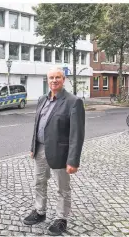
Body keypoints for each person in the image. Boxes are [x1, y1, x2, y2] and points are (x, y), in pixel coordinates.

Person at [24, 67, 85, 236]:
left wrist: (73, 160)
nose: (54, 80)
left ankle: (61, 219)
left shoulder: (73, 101)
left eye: (57, 77)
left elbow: (77, 134)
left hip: (61, 153)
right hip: (40, 149)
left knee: (62, 188)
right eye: (51, 78)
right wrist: (33, 147)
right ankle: (40, 211)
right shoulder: (42, 99)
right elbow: (38, 125)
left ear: (63, 79)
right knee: (39, 182)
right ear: (47, 80)